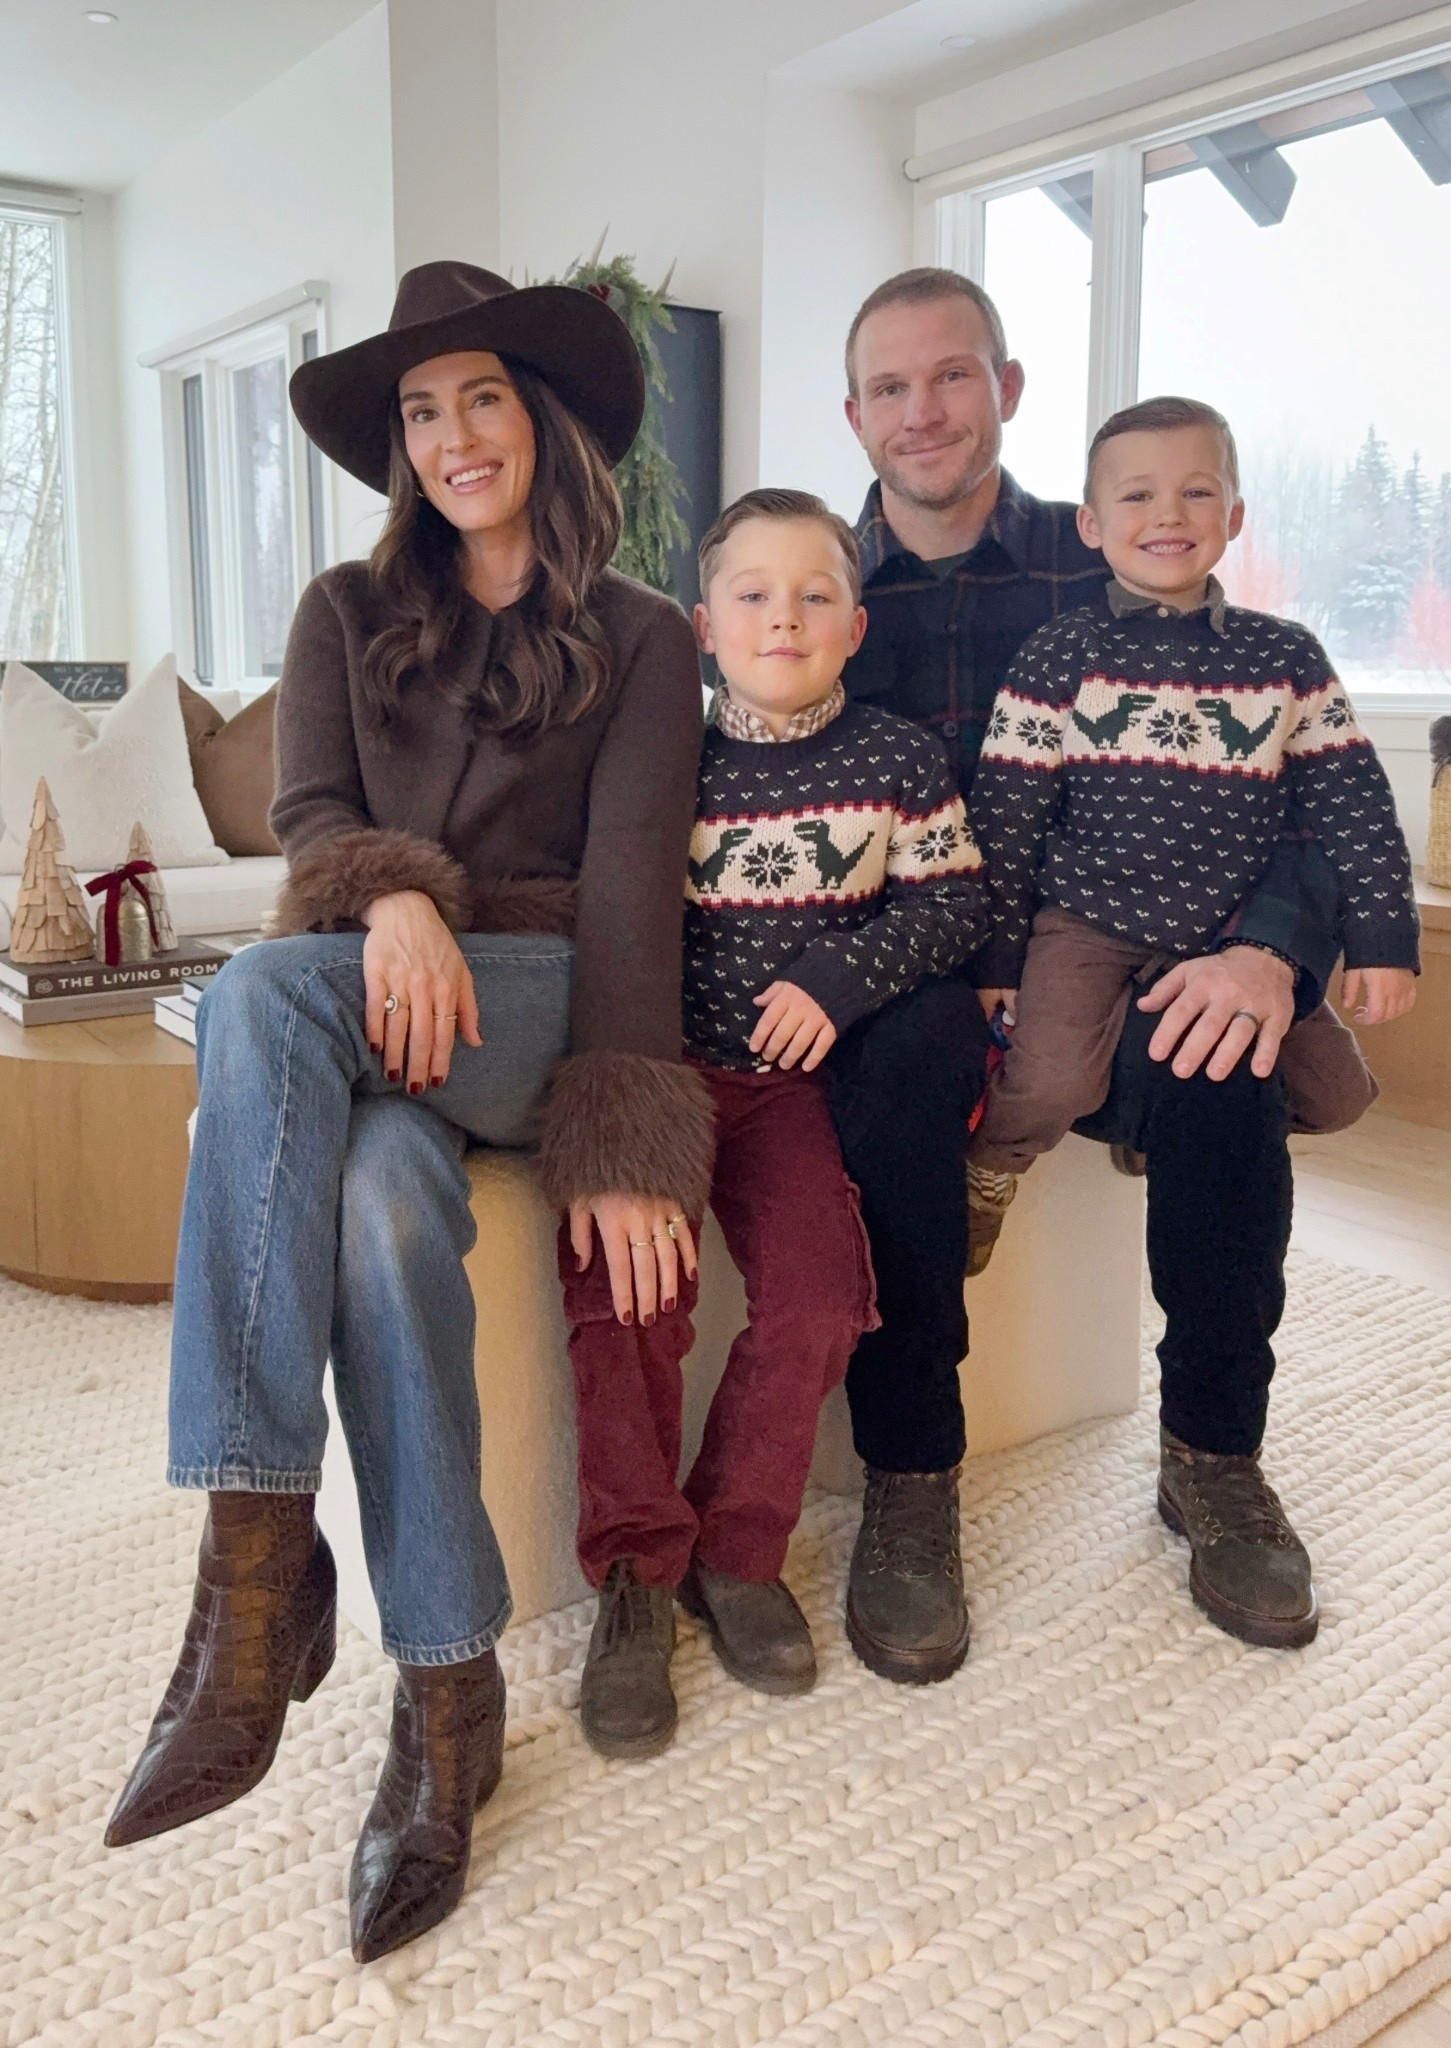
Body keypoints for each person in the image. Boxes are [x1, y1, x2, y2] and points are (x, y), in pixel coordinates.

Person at [103, 262, 709, 1963]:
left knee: (255, 992)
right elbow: (310, 805)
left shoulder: (647, 637)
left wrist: (623, 1133)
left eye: (483, 399)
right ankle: (449, 1704)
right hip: (380, 1013)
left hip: (535, 1007)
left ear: (545, 415)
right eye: (421, 412)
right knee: (372, 1195)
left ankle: (251, 1565)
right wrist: (385, 895)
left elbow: (633, 909)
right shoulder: (342, 611)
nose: (452, 437)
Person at [831, 268, 1380, 1683]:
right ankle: (906, 1486)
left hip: (1124, 937)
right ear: (852, 415)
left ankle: (1211, 1453)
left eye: (950, 375)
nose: (922, 411)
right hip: (908, 965)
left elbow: (1299, 789)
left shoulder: (1126, 560)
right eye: (888, 387)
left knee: (1222, 1060)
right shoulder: (817, 592)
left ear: (1005, 389)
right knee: (902, 1087)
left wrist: (1270, 947)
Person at [558, 488, 988, 1755]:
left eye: (813, 595)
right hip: (664, 1081)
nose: (782, 617)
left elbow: (952, 908)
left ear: (855, 626)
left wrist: (840, 979)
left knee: (815, 1294)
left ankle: (736, 1548)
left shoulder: (900, 762)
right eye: (752, 593)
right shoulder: (662, 760)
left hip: (788, 1092)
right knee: (623, 1291)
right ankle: (637, 1571)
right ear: (704, 623)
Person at [968, 395, 1419, 1280]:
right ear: (1092, 526)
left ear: (1235, 517)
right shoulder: (1057, 657)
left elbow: (1353, 806)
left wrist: (1382, 939)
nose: (1167, 515)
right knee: (1052, 1080)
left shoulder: (1285, 658)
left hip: (1226, 931)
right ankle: (985, 1175)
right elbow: (1005, 818)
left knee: (1339, 1096)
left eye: (1196, 493)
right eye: (1136, 497)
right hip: (1087, 922)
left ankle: (1155, 1126)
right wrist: (995, 960)